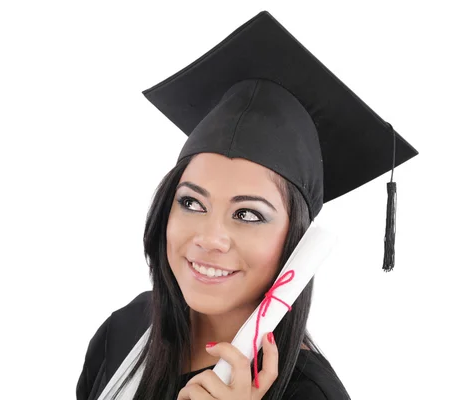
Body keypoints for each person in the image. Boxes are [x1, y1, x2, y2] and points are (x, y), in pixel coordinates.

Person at [76, 11, 417, 400]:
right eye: (191, 202)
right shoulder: (125, 331)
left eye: (247, 214)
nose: (210, 238)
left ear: (296, 240)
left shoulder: (310, 393)